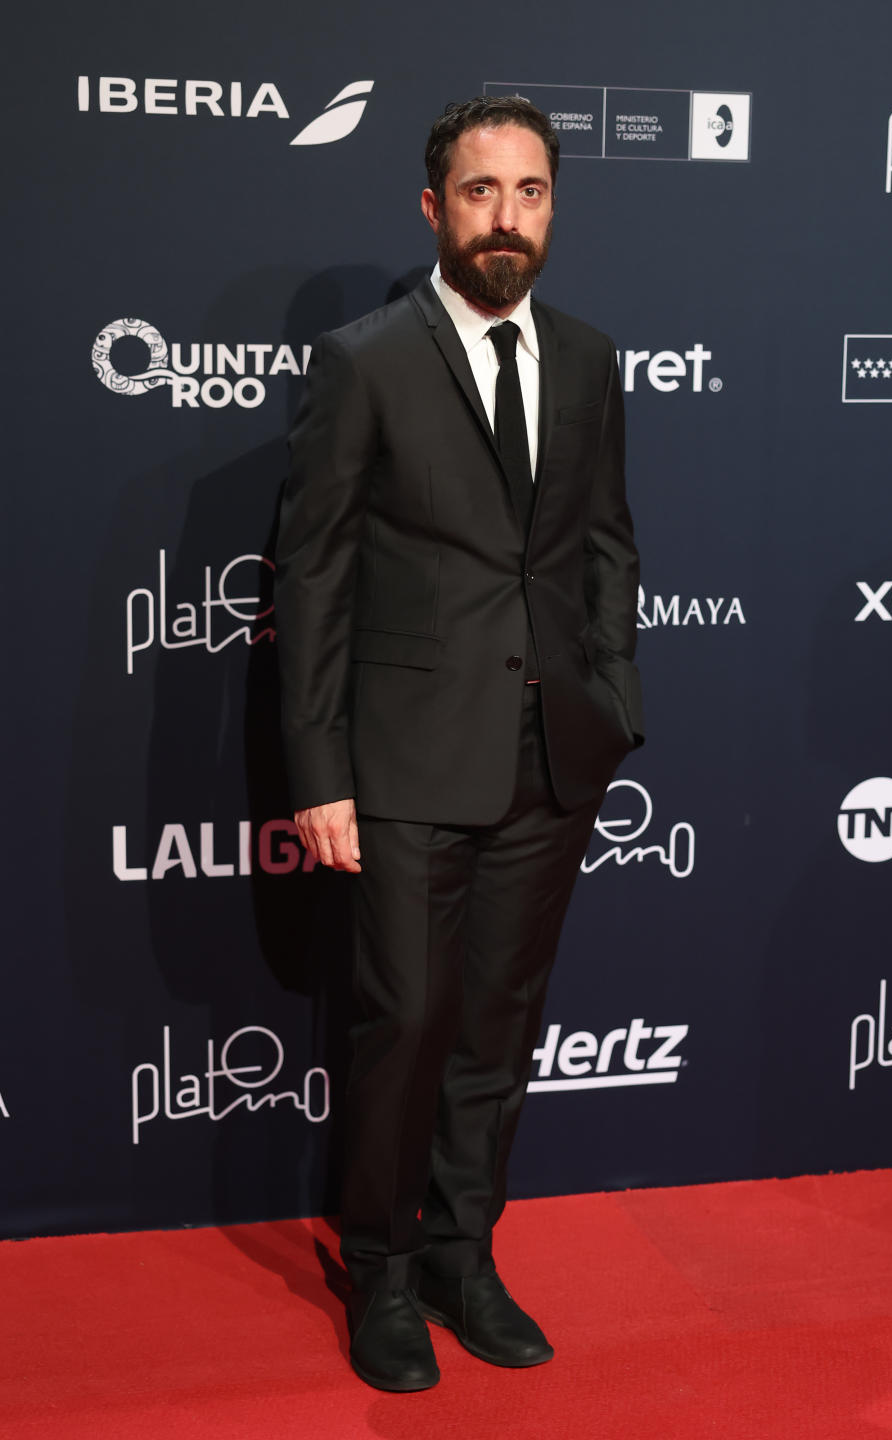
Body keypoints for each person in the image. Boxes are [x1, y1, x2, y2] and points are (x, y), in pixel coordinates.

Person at [274, 94, 643, 1392]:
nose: (507, 219)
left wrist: (610, 704)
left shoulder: (591, 360)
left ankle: (461, 1253)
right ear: (433, 209)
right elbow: (311, 582)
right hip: (407, 764)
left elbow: (604, 547)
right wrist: (320, 774)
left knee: (497, 1027)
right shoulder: (367, 361)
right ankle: (377, 1264)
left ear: (553, 206)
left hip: (549, 761)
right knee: (409, 1019)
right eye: (481, 193)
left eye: (530, 192)